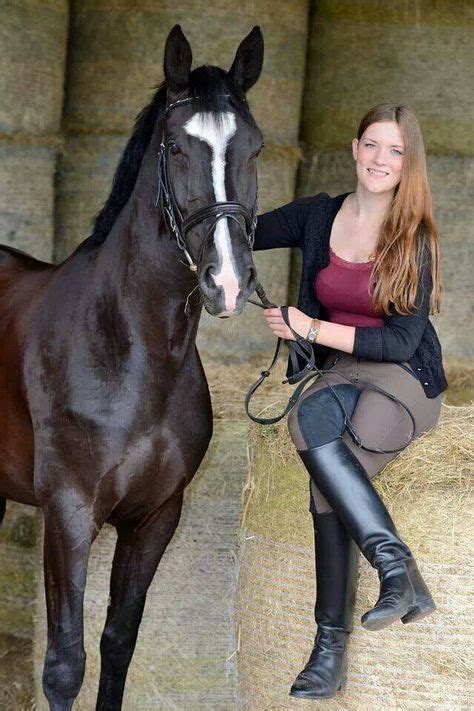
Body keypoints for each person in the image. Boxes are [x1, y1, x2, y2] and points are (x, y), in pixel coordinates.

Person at [252, 103, 448, 700]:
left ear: (407, 162)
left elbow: (398, 340)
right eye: (372, 145)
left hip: (401, 375)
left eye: (394, 151)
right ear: (354, 147)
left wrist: (307, 327)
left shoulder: (414, 239)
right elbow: (239, 231)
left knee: (327, 482)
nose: (380, 160)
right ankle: (400, 573)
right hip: (340, 374)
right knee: (308, 422)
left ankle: (329, 646)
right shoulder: (318, 216)